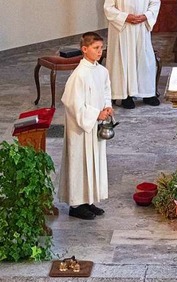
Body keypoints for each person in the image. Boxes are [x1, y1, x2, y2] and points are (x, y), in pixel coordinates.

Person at [59, 32, 113, 220]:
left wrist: (107, 107)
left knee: (94, 162)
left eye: (101, 48)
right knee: (79, 163)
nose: (100, 52)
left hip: (94, 126)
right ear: (84, 49)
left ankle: (88, 200)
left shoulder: (101, 71)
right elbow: (72, 103)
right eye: (96, 48)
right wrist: (95, 114)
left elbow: (107, 90)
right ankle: (76, 205)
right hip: (80, 129)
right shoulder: (79, 75)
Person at [104, 0, 161, 109]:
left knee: (145, 60)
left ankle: (147, 93)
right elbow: (108, 8)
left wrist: (145, 16)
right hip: (123, 30)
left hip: (141, 29)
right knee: (124, 61)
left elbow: (155, 4)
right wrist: (125, 17)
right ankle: (125, 95)